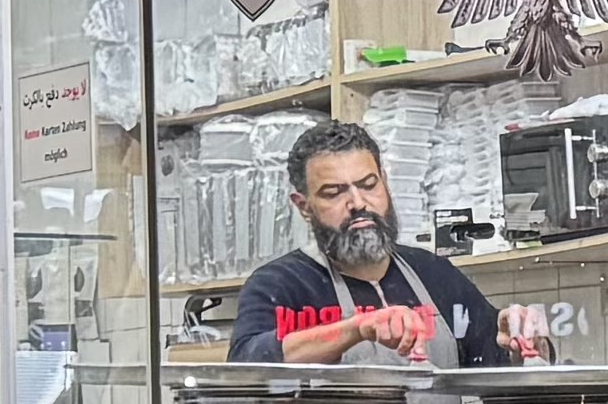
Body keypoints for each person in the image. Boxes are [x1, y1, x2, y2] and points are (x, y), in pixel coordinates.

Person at [228, 117, 534, 367]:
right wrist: (356, 328)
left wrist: (522, 344)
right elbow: (247, 364)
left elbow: (493, 362)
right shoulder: (280, 284)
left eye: (368, 185)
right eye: (334, 192)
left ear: (384, 182)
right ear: (303, 206)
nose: (358, 202)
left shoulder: (434, 273)